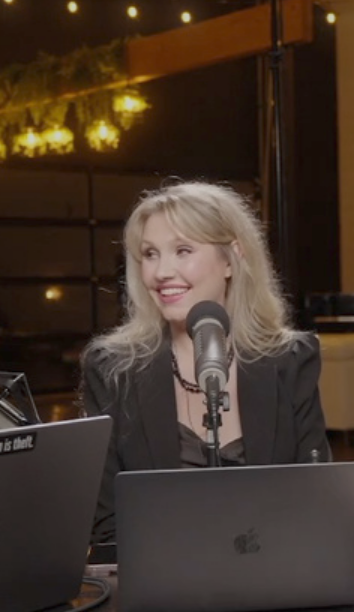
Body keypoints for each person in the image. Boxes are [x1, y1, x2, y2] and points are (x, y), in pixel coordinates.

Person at [80, 182, 328, 544]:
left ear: (231, 259)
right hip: (159, 573)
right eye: (150, 254)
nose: (161, 272)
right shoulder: (111, 369)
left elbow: (318, 500)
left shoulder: (291, 359)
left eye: (183, 250)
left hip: (275, 567)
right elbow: (106, 526)